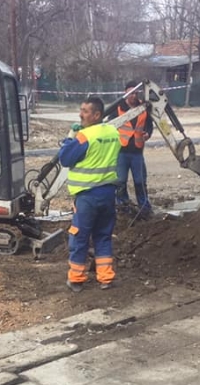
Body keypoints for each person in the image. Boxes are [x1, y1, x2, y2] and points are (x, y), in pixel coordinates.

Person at [58, 96, 121, 292]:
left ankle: (76, 279)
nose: (81, 114)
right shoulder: (112, 132)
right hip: (108, 194)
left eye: (85, 111)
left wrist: (70, 139)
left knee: (80, 237)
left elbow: (65, 158)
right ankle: (105, 278)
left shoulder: (85, 137)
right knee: (103, 236)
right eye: (81, 110)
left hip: (87, 196)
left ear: (97, 114)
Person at [111, 80, 153, 218]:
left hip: (137, 150)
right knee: (121, 181)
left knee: (140, 181)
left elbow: (149, 125)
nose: (133, 96)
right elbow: (111, 126)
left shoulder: (143, 108)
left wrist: (147, 133)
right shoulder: (118, 108)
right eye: (130, 93)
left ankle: (144, 208)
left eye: (135, 93)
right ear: (125, 93)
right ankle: (123, 207)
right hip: (122, 150)